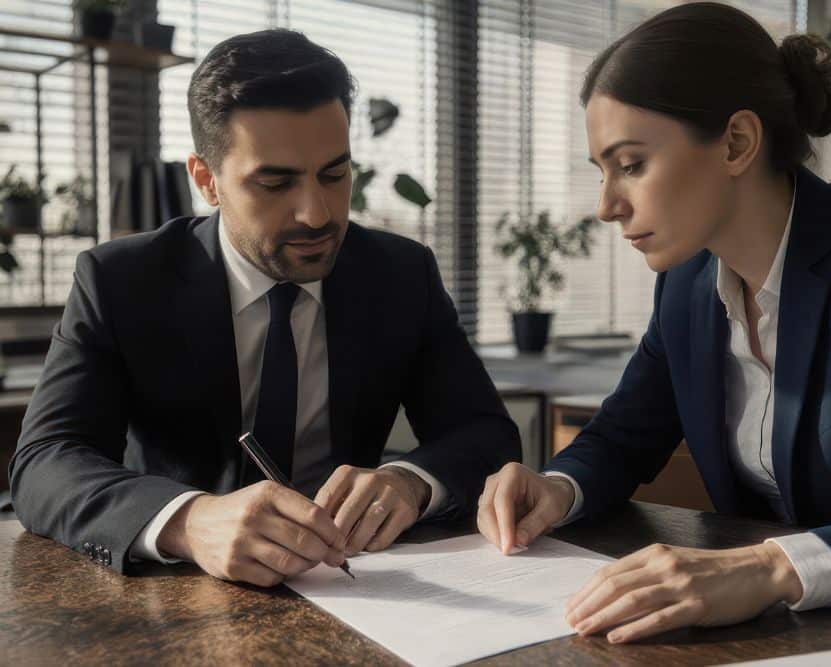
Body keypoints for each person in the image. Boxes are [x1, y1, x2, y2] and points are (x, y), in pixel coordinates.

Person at [477, 1, 831, 644]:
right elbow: (620, 438)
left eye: (632, 164)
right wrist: (555, 486)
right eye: (603, 171)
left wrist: (768, 567)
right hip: (773, 638)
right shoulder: (686, 286)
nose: (607, 206)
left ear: (737, 142)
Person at [10, 29, 520, 587]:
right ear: (207, 180)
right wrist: (188, 520)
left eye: (335, 174)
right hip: (181, 598)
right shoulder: (121, 280)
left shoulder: (401, 274)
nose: (316, 213)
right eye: (275, 183)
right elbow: (44, 462)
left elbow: (484, 432)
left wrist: (410, 480)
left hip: (363, 586)